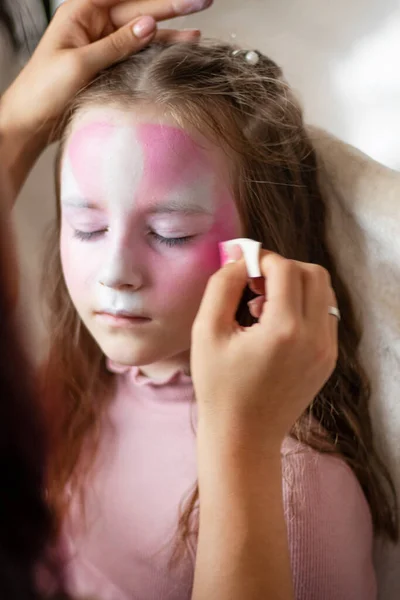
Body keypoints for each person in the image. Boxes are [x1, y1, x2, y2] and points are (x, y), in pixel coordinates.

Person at [30, 38, 396, 600]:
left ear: (259, 248)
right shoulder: (81, 374)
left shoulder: (295, 490)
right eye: (87, 227)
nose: (115, 272)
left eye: (169, 233)